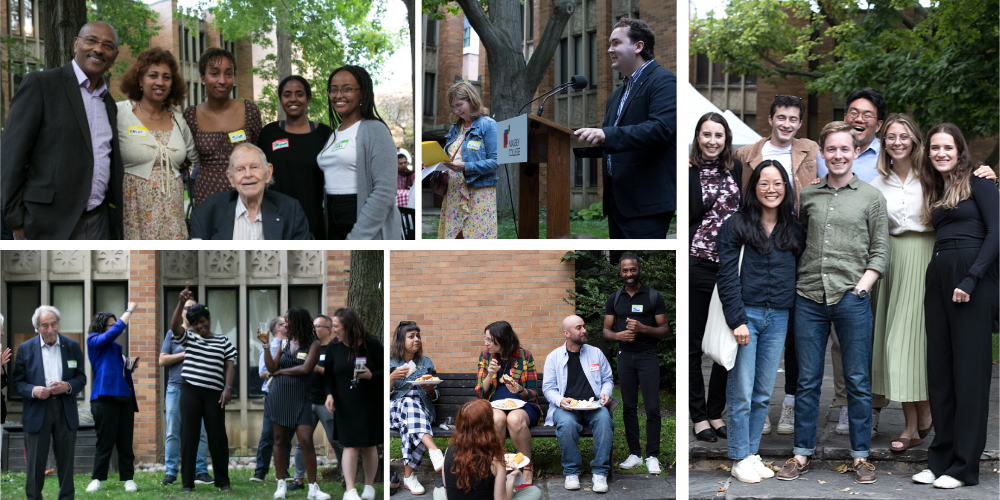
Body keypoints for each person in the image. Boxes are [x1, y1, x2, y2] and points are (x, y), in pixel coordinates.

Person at [777, 122, 888, 485]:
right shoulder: (807, 196)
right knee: (807, 381)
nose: (838, 155)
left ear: (855, 152)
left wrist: (861, 289)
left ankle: (860, 457)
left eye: (845, 149)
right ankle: (801, 453)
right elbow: (795, 241)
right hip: (808, 296)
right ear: (822, 153)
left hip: (851, 297)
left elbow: (880, 251)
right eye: (831, 150)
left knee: (856, 380)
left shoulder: (871, 197)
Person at [911, 123, 998, 489]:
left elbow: (997, 232)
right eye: (934, 147)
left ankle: (964, 467)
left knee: (969, 374)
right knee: (941, 371)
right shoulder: (937, 186)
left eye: (947, 147)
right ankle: (941, 458)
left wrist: (971, 278)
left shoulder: (980, 181)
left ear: (960, 150)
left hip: (971, 279)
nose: (941, 153)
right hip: (940, 276)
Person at [733, 95, 818, 435]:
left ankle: (789, 405)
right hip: (757, 240)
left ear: (799, 123)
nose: (787, 123)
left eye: (793, 119)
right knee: (751, 345)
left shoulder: (811, 149)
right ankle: (753, 413)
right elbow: (723, 170)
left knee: (795, 337)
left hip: (795, 239)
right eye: (781, 117)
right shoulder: (748, 153)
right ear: (770, 118)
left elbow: (844, 163)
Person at [716, 161, 805, 483]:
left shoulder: (793, 228)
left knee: (764, 393)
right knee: (741, 390)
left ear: (786, 187)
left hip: (779, 316)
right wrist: (737, 319)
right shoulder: (736, 224)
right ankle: (739, 456)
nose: (772, 189)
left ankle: (752, 452)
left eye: (778, 183)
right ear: (753, 187)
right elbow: (726, 274)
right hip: (746, 317)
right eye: (764, 183)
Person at [1, 21, 124, 239]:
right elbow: (11, 158)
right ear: (76, 43)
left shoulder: (109, 104)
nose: (98, 49)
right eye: (91, 41)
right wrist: (15, 220)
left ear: (114, 55)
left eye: (107, 45)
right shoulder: (41, 84)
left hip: (98, 222)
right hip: (46, 221)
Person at [867, 114, 934, 453]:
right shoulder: (878, 183)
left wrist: (988, 172)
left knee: (913, 344)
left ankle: (914, 425)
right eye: (890, 136)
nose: (896, 142)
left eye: (903, 136)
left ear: (914, 140)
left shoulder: (933, 176)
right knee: (895, 344)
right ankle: (920, 416)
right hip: (891, 263)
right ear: (884, 142)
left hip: (925, 257)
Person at [574, 17, 676, 238]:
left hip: (646, 205)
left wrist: (605, 134)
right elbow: (610, 142)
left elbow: (658, 129)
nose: (609, 50)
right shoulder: (616, 94)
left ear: (638, 46)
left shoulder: (664, 81)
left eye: (615, 43)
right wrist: (569, 144)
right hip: (617, 203)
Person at [688, 113, 740, 443]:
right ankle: (698, 416)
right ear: (697, 137)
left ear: (726, 138)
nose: (712, 141)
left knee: (725, 340)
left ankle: (715, 412)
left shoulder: (735, 170)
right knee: (694, 344)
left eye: (718, 135)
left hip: (730, 268)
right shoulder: (688, 171)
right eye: (706, 134)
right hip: (698, 265)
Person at [117, 47, 198, 240]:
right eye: (153, 75)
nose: (160, 82)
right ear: (140, 80)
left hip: (173, 215)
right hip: (133, 213)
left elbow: (198, 158)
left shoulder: (177, 118)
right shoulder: (119, 113)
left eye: (166, 77)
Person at [11, 306, 87, 500]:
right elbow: (17, 383)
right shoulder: (26, 349)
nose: (50, 329)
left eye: (54, 324)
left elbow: (81, 377)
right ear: (37, 327)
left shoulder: (71, 346)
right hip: (37, 410)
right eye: (45, 325)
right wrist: (33, 391)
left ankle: (66, 497)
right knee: (35, 463)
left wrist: (67, 386)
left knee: (66, 462)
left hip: (64, 408)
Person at [603, 252, 669, 473]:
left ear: (639, 270)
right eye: (625, 270)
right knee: (628, 407)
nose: (629, 274)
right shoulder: (614, 298)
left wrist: (643, 329)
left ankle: (652, 456)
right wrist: (618, 336)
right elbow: (606, 331)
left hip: (647, 356)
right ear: (620, 272)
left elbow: (665, 330)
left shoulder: (653, 296)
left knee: (652, 407)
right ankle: (635, 454)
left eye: (632, 269)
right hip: (625, 357)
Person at [318, 65, 401, 239]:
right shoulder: (334, 133)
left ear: (363, 93)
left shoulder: (375, 130)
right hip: (332, 218)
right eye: (333, 90)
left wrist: (358, 236)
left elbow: (385, 190)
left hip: (360, 216)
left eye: (347, 89)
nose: (338, 95)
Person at [170, 283, 237, 492]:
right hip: (190, 391)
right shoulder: (189, 338)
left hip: (214, 394)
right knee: (189, 435)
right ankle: (187, 483)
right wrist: (181, 303)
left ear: (208, 319)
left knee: (217, 436)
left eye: (202, 321)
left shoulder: (223, 340)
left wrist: (227, 388)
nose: (200, 326)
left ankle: (222, 481)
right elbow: (174, 327)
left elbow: (229, 365)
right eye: (195, 323)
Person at [258, 308, 330, 500]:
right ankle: (281, 484)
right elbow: (272, 368)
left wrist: (281, 372)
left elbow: (306, 369)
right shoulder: (283, 342)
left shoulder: (313, 344)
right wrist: (266, 346)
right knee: (280, 440)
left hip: (302, 397)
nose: (285, 325)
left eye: (288, 321)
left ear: (297, 322)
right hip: (279, 395)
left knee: (306, 440)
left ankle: (313, 488)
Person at [543, 315, 615, 493]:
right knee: (566, 424)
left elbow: (607, 379)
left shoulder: (595, 353)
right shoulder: (554, 357)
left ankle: (599, 472)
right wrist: (560, 400)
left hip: (593, 405)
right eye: (578, 328)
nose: (584, 330)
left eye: (584, 326)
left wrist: (606, 393)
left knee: (605, 421)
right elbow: (549, 388)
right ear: (567, 333)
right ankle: (572, 471)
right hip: (567, 407)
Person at [183, 47, 262, 206]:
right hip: (206, 197)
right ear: (203, 78)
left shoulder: (249, 111)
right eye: (214, 73)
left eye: (228, 73)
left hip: (245, 195)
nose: (222, 80)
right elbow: (183, 159)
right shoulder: (191, 116)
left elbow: (259, 155)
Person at [189, 142, 312, 239]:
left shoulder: (290, 210)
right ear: (231, 178)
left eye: (254, 167)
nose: (248, 174)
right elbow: (194, 261)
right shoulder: (208, 212)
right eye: (240, 169)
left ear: (268, 173)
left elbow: (301, 262)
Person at [260, 75, 333, 239]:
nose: (293, 99)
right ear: (280, 99)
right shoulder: (268, 133)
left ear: (308, 99)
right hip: (275, 219)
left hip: (313, 220)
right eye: (287, 95)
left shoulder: (324, 134)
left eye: (299, 94)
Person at [324, 307, 383, 500]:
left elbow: (388, 372)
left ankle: (369, 487)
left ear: (348, 327)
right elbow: (328, 376)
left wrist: (371, 375)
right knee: (349, 445)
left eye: (336, 326)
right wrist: (329, 395)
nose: (333, 330)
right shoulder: (334, 347)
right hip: (344, 404)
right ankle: (350, 490)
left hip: (369, 403)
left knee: (369, 445)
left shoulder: (371, 344)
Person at [436, 399, 542, 500]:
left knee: (438, 491)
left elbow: (448, 494)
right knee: (534, 491)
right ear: (488, 426)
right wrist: (511, 478)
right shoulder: (495, 458)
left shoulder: (448, 451)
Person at [84, 304, 140, 493]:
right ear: (102, 327)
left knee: (125, 442)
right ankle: (97, 478)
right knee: (104, 441)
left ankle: (128, 479)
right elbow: (111, 335)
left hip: (124, 398)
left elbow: (118, 373)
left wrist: (128, 367)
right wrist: (129, 311)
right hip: (103, 398)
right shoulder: (93, 340)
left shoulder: (117, 348)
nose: (115, 327)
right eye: (111, 325)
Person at [434, 82, 499, 239]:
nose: (456, 110)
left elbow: (496, 162)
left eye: (459, 105)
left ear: (471, 100)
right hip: (453, 193)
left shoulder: (488, 125)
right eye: (453, 107)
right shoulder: (454, 128)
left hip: (478, 193)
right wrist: (434, 163)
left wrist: (465, 166)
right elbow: (447, 157)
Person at [288, 314, 346, 490]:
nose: (314, 329)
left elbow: (340, 374)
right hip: (306, 401)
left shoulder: (336, 348)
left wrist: (317, 368)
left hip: (327, 402)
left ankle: (346, 476)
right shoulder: (308, 346)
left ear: (329, 329)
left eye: (318, 326)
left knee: (336, 440)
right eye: (313, 326)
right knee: (302, 442)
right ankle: (298, 479)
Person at [389, 321, 446, 495]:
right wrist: (391, 378)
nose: (417, 339)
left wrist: (430, 391)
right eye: (411, 336)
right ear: (400, 340)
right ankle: (434, 450)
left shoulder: (426, 362)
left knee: (411, 420)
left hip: (423, 411)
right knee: (407, 403)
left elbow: (435, 395)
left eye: (418, 336)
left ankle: (409, 477)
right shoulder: (390, 362)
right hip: (394, 410)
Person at [159, 299, 211, 486]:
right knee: (173, 432)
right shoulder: (173, 333)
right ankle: (171, 473)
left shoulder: (203, 333)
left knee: (201, 432)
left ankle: (201, 471)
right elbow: (162, 360)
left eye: (193, 308)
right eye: (186, 308)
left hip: (199, 390)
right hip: (176, 389)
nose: (189, 311)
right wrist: (185, 353)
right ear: (182, 313)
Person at [250, 316, 292, 483]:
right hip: (273, 395)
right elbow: (261, 373)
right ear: (279, 328)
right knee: (268, 434)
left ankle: (284, 472)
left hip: (290, 395)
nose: (288, 326)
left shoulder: (292, 347)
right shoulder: (269, 347)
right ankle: (260, 472)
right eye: (285, 324)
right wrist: (278, 372)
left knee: (287, 436)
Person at [816, 88, 885, 183]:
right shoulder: (821, 155)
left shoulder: (888, 158)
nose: (859, 119)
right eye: (854, 113)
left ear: (878, 125)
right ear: (845, 117)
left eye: (867, 115)